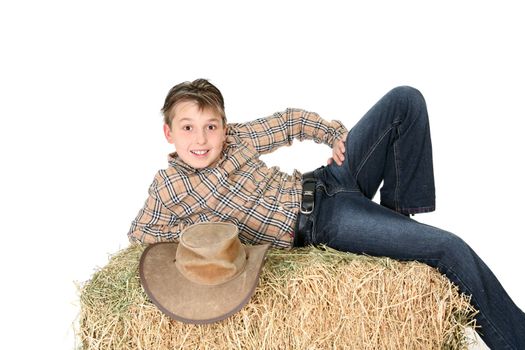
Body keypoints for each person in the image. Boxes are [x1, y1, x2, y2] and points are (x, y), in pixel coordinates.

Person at [128, 78, 525, 349]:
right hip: (322, 225)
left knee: (406, 100)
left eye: (210, 126)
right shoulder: (170, 187)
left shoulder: (238, 139)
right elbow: (141, 235)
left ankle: (399, 225)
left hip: (328, 181)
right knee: (449, 249)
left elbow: (290, 122)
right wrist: (199, 240)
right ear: (169, 133)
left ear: (224, 125)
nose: (201, 140)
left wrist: (333, 135)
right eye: (188, 128)